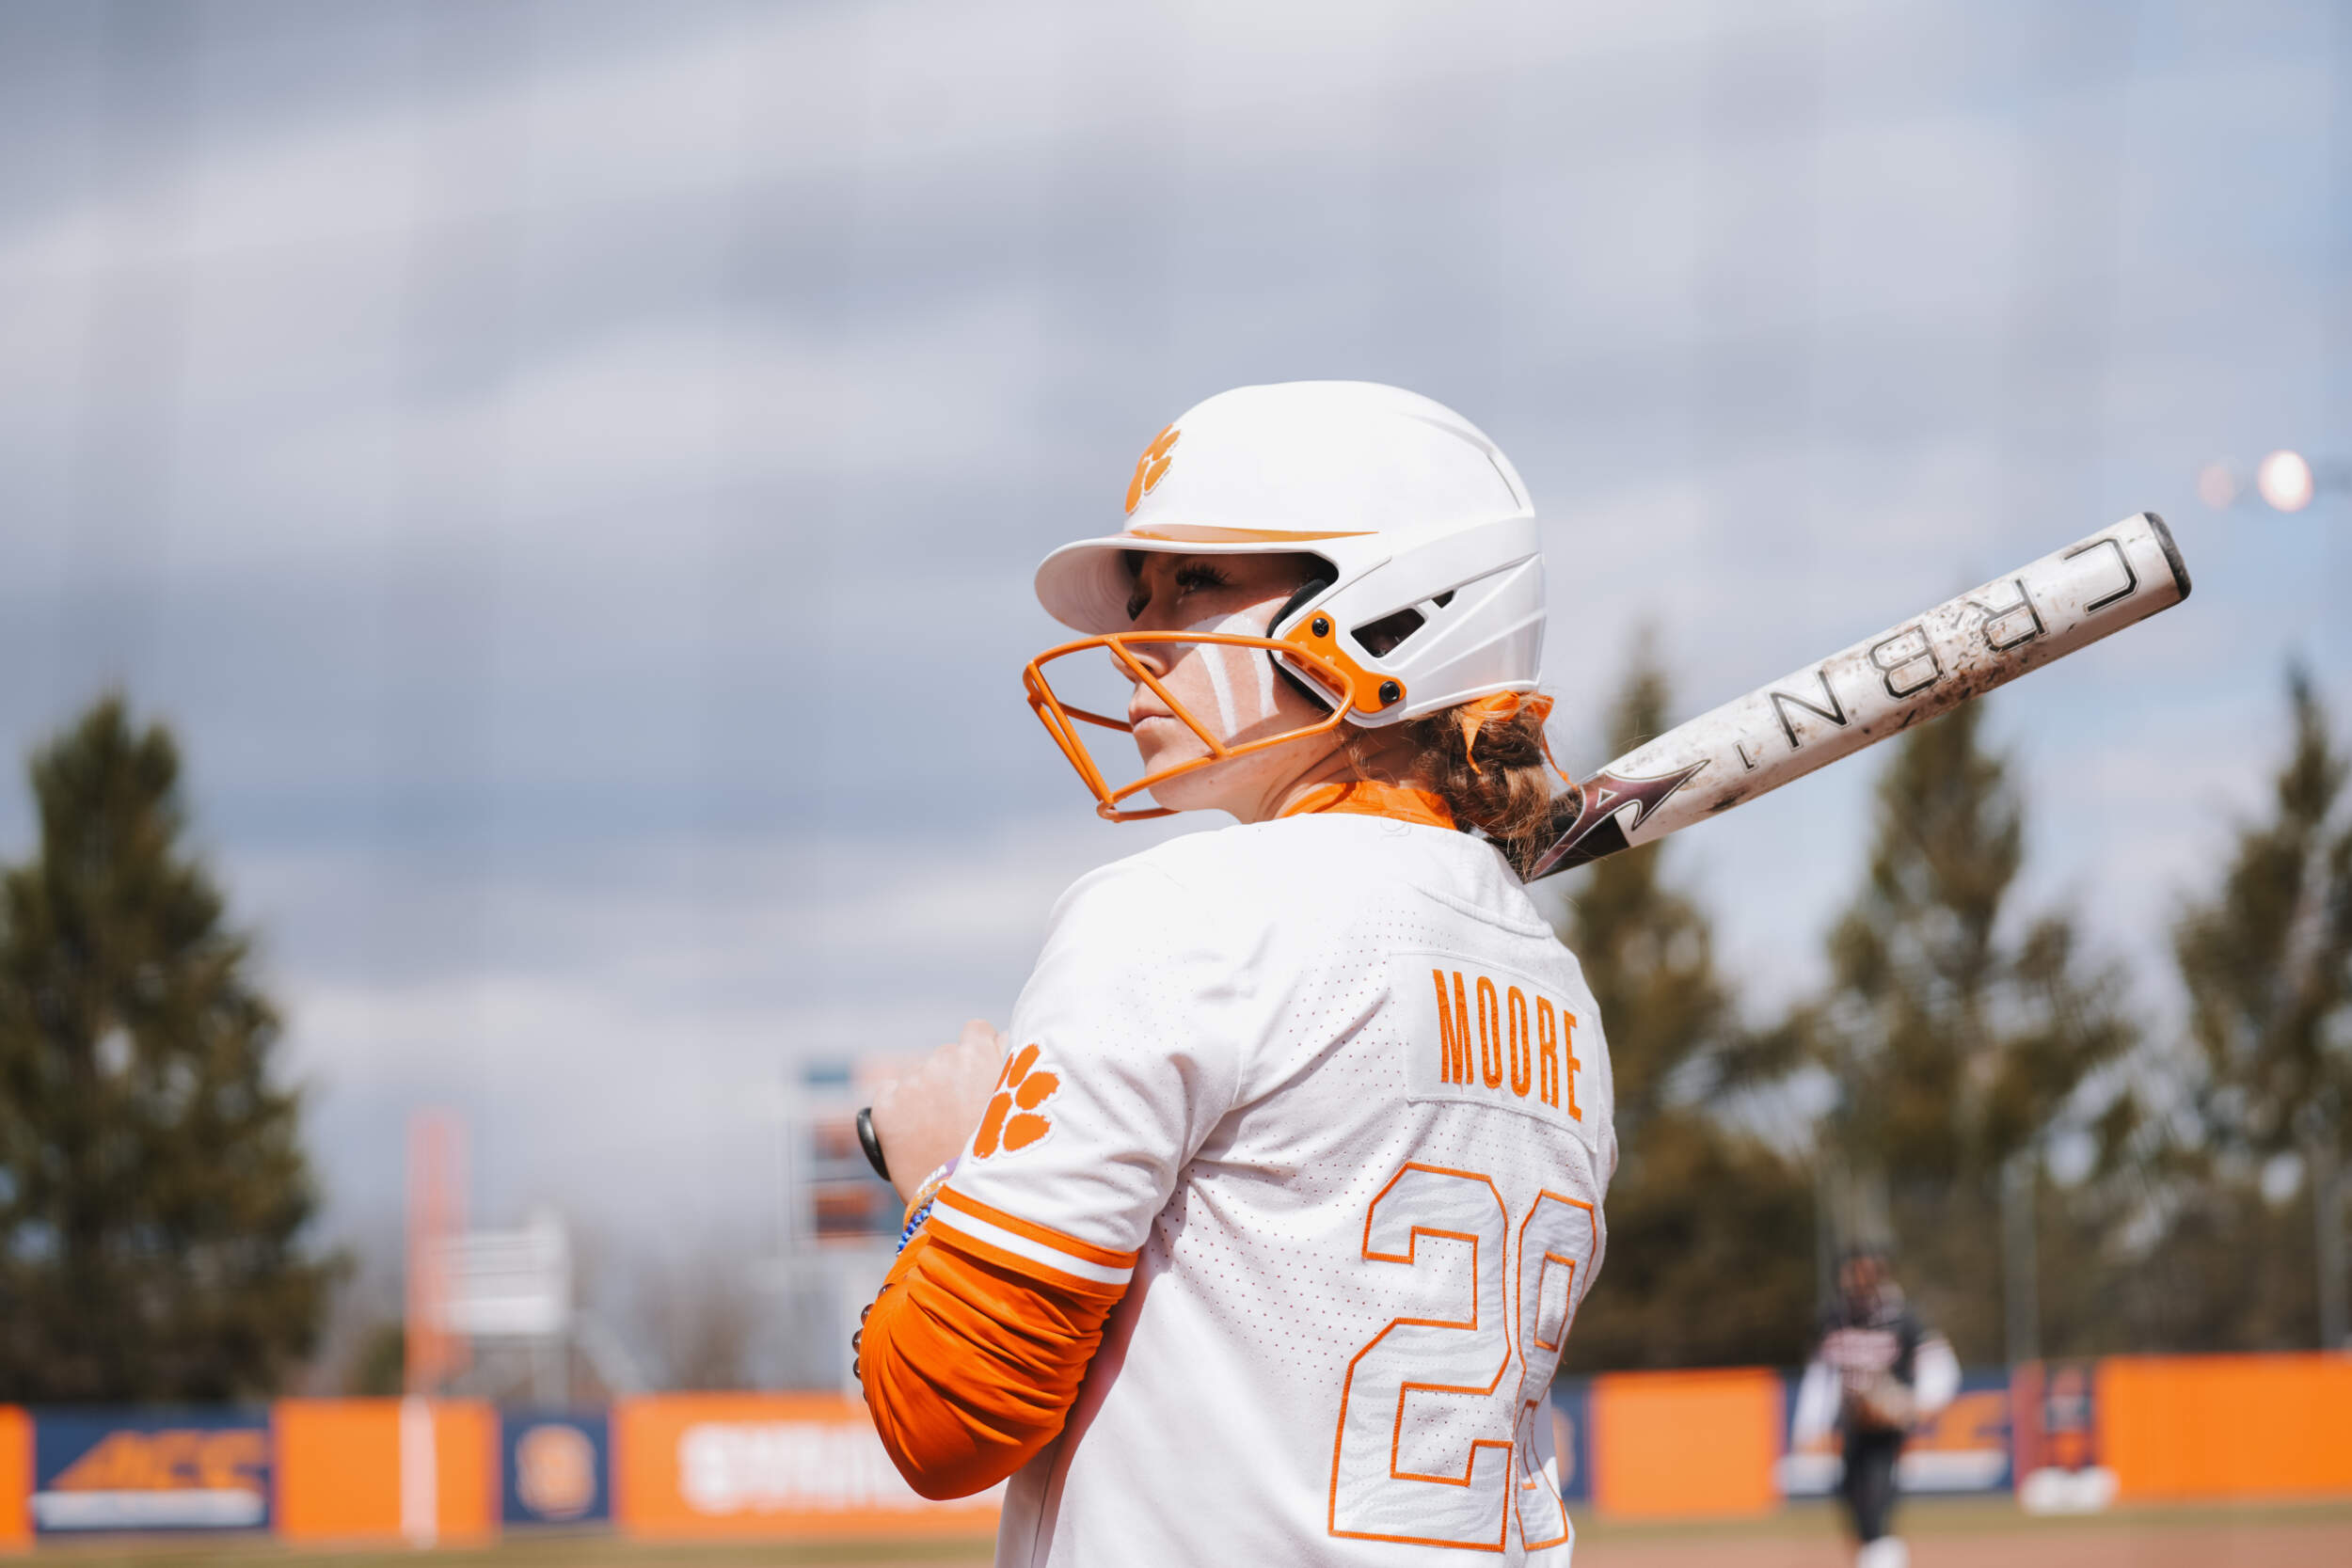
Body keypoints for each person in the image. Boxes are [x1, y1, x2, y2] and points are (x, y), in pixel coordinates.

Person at [851, 381, 1616, 1565]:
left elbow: (945, 1416)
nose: (1138, 639)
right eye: (1142, 597)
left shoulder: (1181, 911)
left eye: (1196, 582)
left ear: (1391, 616)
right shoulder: (1553, 984)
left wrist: (941, 1175)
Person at [1789, 1246, 1961, 1568]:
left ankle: (1882, 1555)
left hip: (1887, 1429)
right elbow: (1821, 1375)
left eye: (1863, 1273)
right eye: (1850, 1273)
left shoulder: (1903, 1318)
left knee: (1877, 1502)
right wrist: (1810, 1426)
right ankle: (1876, 1554)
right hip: (1852, 1424)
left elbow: (1940, 1365)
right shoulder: (1833, 1318)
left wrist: (1915, 1405)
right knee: (1851, 1500)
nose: (1856, 1281)